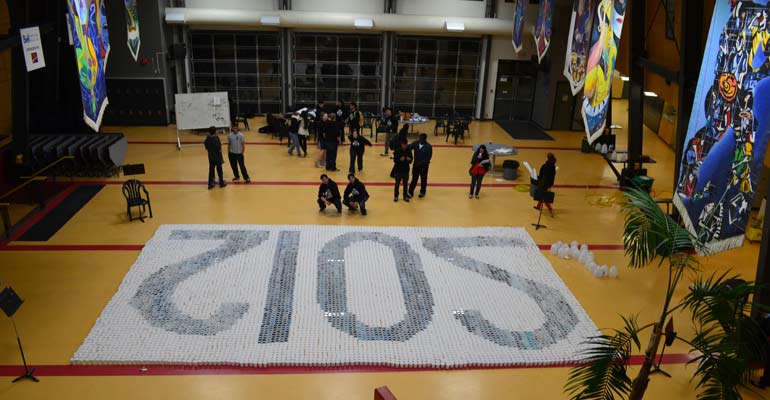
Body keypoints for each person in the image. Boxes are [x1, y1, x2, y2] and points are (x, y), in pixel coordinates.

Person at [408, 133, 432, 198]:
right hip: (416, 166)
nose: (420, 140)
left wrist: (421, 163)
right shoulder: (416, 143)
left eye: (422, 139)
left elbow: (428, 157)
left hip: (424, 167)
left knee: (423, 179)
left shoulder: (428, 146)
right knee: (414, 179)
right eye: (420, 138)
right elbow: (409, 147)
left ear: (425, 139)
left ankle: (422, 192)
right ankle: (410, 192)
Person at [391, 138, 413, 202]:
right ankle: (396, 196)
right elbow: (395, 160)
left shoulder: (409, 151)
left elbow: (411, 160)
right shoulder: (397, 151)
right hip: (398, 170)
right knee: (397, 184)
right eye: (403, 145)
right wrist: (400, 160)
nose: (405, 146)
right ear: (401, 144)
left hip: (406, 170)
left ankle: (405, 196)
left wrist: (409, 159)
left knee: (405, 184)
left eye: (406, 145)